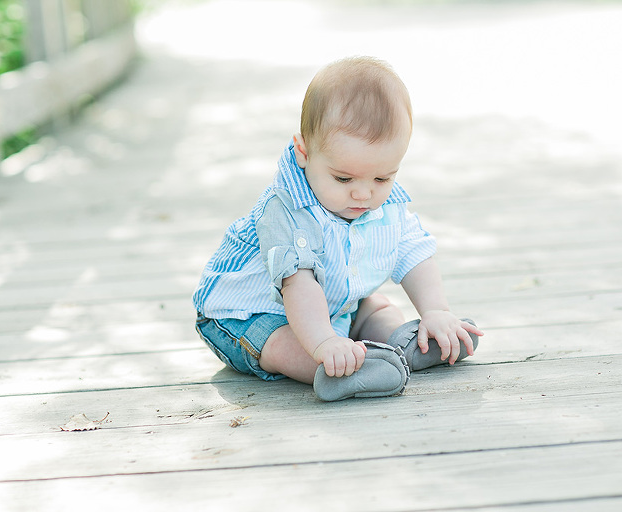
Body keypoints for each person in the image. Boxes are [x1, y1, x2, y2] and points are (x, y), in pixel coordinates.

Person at [193, 56, 483, 401]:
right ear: (304, 152)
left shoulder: (384, 205)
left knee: (374, 307)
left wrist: (436, 310)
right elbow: (299, 287)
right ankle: (336, 369)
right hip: (246, 316)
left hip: (333, 304)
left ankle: (402, 346)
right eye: (343, 178)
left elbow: (414, 254)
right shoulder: (286, 210)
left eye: (382, 177)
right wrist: (324, 343)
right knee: (281, 340)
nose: (363, 193)